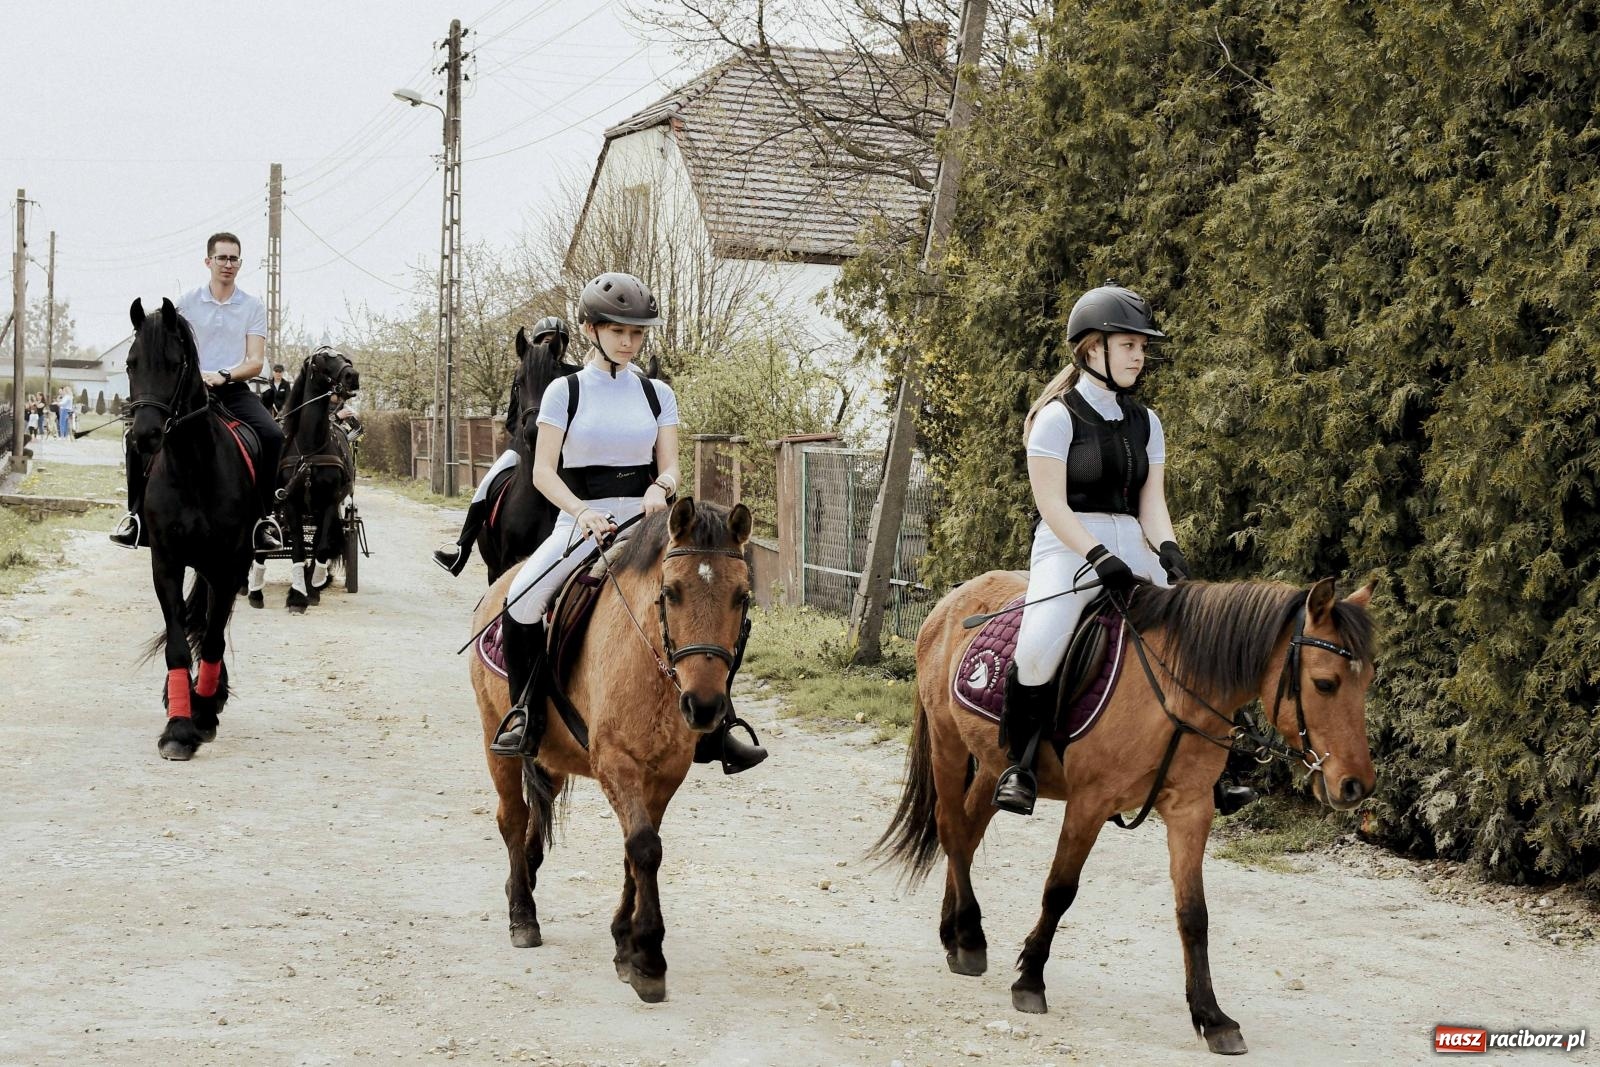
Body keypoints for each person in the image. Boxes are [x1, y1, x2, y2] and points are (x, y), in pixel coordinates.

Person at [992, 283, 1255, 817]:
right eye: (1129, 344)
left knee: (1198, 637)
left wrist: (1169, 551)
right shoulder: (1057, 417)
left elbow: (1151, 502)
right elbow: (1052, 507)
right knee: (1038, 647)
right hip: (1068, 546)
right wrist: (1096, 556)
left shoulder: (1147, 422)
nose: (1140, 355)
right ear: (1094, 349)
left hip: (1133, 541)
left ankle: (1219, 771)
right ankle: (1018, 766)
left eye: (1142, 346)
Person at [488, 274, 765, 774]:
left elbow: (671, 465)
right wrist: (581, 511)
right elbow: (545, 472)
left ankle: (718, 727)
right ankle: (525, 713)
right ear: (591, 329)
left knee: (709, 601)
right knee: (520, 601)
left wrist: (661, 486)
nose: (629, 342)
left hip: (648, 526)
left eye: (637, 333)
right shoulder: (563, 393)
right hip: (581, 523)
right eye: (619, 331)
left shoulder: (657, 394)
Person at [110, 232, 285, 551]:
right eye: (222, 258)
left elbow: (256, 362)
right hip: (188, 396)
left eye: (234, 259)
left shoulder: (252, 305)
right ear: (208, 261)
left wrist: (222, 375)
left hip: (232, 390)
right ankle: (135, 518)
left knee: (272, 436)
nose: (228, 264)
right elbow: (163, 345)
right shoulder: (187, 302)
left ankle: (262, 520)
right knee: (136, 438)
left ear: (239, 263)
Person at [433, 315, 569, 575]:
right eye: (545, 339)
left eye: (556, 341)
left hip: (563, 448)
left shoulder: (572, 375)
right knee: (487, 483)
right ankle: (461, 549)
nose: (550, 344)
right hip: (523, 448)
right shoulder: (523, 373)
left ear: (562, 346)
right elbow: (510, 419)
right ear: (536, 342)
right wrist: (525, 431)